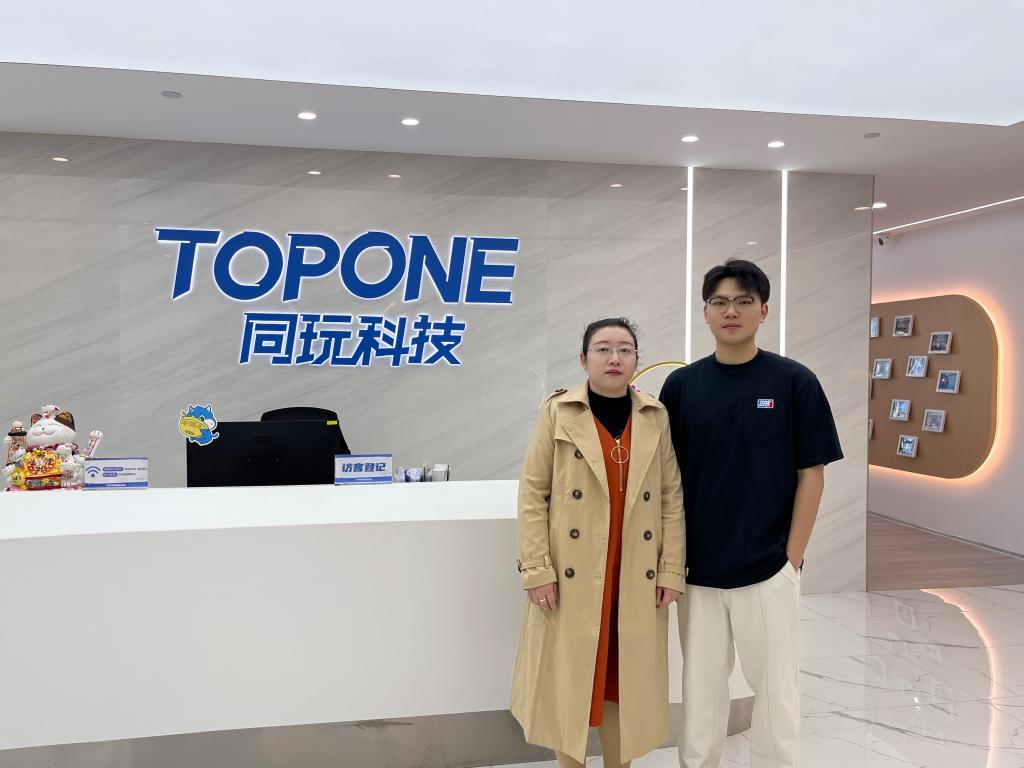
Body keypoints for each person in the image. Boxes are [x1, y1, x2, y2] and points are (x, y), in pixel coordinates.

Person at [660, 260, 843, 768]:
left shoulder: (793, 381)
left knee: (776, 687)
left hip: (768, 566)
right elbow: (667, 480)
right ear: (705, 312)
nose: (731, 311)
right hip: (697, 569)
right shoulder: (682, 386)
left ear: (763, 311)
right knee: (700, 690)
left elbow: (812, 473)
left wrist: (792, 559)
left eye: (743, 301)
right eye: (719, 302)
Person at [511, 318, 686, 768]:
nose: (614, 358)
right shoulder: (558, 411)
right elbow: (533, 494)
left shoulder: (654, 415)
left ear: (636, 360)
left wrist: (671, 570)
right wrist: (537, 569)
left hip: (634, 569)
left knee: (623, 678)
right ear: (583, 359)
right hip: (574, 570)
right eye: (603, 349)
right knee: (569, 679)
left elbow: (671, 497)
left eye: (625, 349)